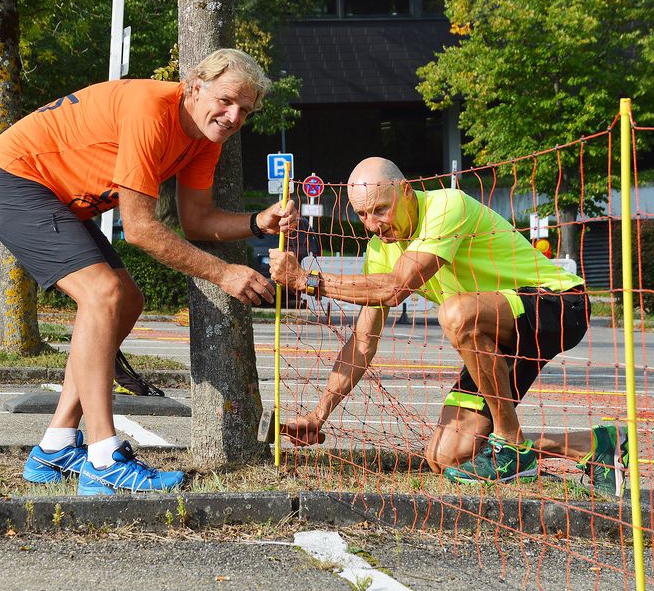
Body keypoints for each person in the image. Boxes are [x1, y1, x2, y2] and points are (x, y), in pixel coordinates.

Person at [0, 49, 296, 496]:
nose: (234, 117)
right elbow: (139, 229)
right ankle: (104, 458)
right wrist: (224, 273)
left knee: (127, 299)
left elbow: (198, 221)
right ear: (195, 87)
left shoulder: (204, 138)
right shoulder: (151, 110)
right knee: (103, 293)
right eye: (226, 100)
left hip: (48, 194)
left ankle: (55, 446)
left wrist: (258, 222)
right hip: (8, 178)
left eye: (246, 110)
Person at [269, 157, 629, 496]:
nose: (373, 224)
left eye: (380, 209)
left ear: (406, 191)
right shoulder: (380, 250)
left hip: (558, 304)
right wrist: (319, 414)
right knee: (446, 456)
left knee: (455, 313)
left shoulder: (445, 206)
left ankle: (510, 443)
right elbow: (363, 341)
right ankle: (594, 445)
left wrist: (306, 281)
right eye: (362, 214)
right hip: (496, 334)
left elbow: (396, 288)